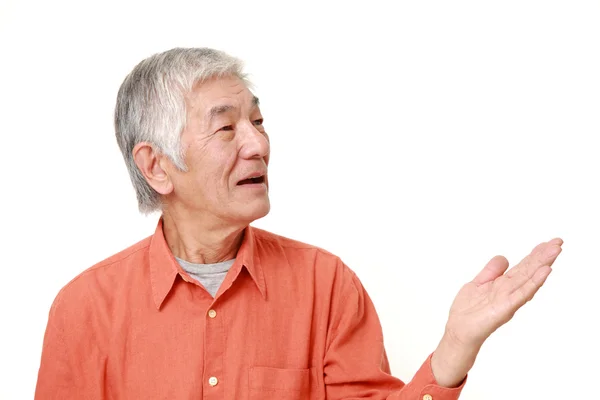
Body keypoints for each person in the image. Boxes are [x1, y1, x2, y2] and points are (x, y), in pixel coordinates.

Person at [34, 47, 563, 400]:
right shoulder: (84, 310)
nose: (258, 144)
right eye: (226, 128)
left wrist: (452, 351)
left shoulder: (326, 285)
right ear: (156, 166)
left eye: (258, 122)